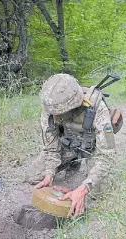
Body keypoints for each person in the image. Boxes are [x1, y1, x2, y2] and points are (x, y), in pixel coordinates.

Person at [25, 73, 116, 218]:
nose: (54, 117)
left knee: (99, 192)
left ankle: (80, 167)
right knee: (33, 175)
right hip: (67, 147)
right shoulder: (50, 107)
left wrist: (84, 188)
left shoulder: (96, 107)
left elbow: (107, 156)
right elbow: (51, 148)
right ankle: (72, 163)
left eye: (59, 113)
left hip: (92, 150)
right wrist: (49, 174)